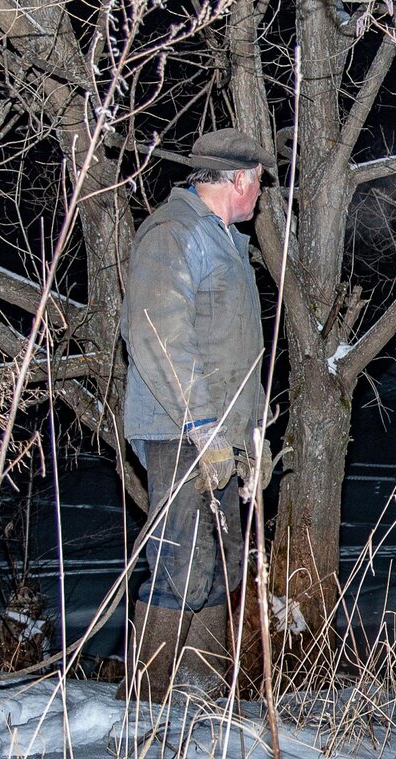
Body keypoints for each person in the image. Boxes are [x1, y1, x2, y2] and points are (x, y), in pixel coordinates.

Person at [120, 127, 275, 703]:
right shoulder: (173, 232)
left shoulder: (228, 243)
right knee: (182, 562)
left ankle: (202, 695)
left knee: (223, 565)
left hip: (222, 433)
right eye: (258, 181)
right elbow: (159, 337)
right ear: (237, 179)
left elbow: (237, 355)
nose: (261, 193)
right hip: (179, 427)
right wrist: (201, 427)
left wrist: (253, 439)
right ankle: (144, 704)